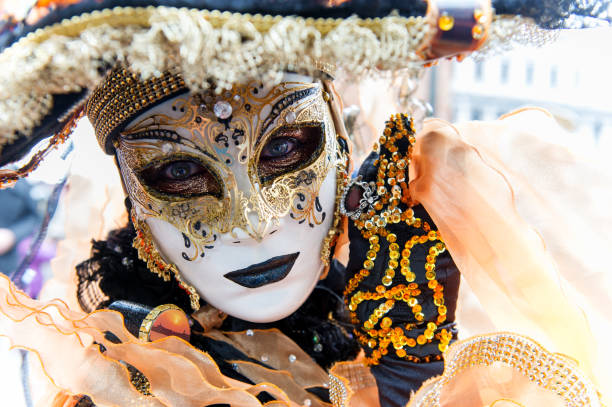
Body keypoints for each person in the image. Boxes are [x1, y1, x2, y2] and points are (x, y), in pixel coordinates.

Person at [0, 1, 610, 407]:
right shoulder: (129, 389)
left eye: (287, 146)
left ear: (342, 148)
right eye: (180, 171)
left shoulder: (405, 301)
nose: (255, 223)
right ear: (137, 207)